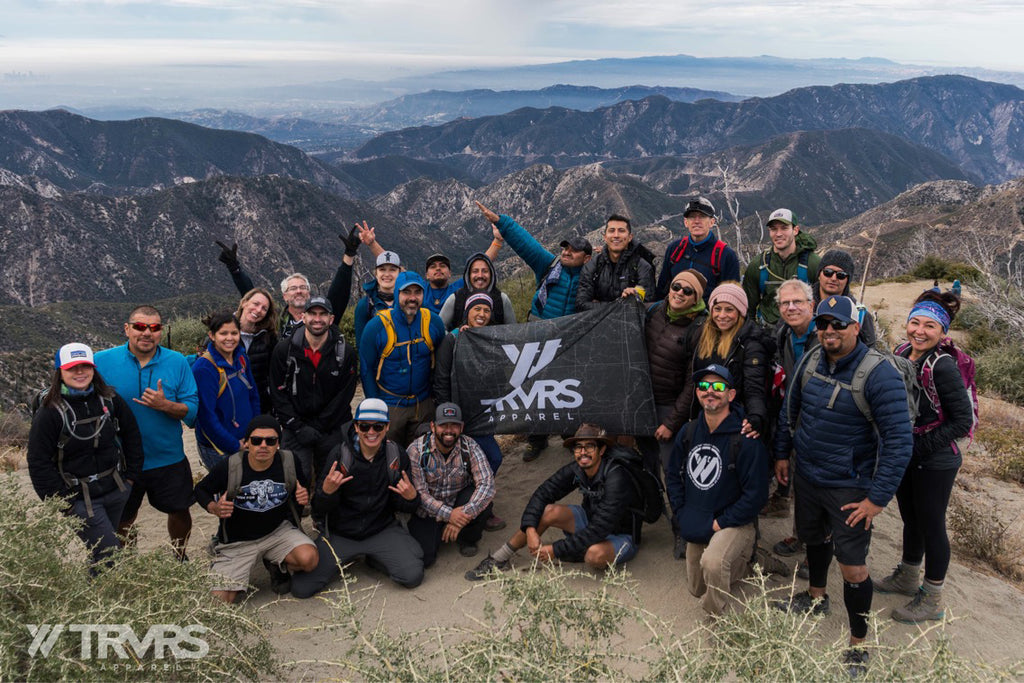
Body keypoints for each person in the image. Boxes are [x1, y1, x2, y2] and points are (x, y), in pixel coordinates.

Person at [773, 295, 913, 674]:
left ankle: (858, 642)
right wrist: (783, 453)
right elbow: (792, 408)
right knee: (814, 539)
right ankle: (816, 596)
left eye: (837, 324)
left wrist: (876, 500)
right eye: (823, 324)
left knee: (853, 567)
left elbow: (899, 442)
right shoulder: (812, 358)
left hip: (850, 487)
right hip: (810, 474)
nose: (829, 331)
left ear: (856, 326)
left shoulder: (879, 373)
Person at [876, 289, 973, 622]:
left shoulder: (943, 366)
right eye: (914, 322)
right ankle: (906, 575)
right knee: (911, 518)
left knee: (932, 524)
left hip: (935, 459)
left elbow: (962, 420)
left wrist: (918, 447)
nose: (919, 331)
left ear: (942, 332)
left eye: (929, 326)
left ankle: (931, 597)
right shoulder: (903, 351)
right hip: (907, 451)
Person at [475, 200, 593, 462]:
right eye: (564, 247)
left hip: (570, 342)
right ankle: (536, 439)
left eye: (573, 250)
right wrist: (501, 221)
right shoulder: (549, 266)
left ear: (587, 257)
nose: (566, 252)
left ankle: (567, 434)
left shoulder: (591, 277)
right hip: (537, 338)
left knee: (564, 388)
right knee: (533, 387)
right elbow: (525, 243)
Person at [466, 423, 641, 580]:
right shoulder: (577, 468)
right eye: (578, 447)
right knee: (549, 510)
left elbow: (601, 528)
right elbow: (542, 494)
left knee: (593, 556)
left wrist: (555, 550)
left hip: (620, 535)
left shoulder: (616, 477)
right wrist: (530, 529)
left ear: (601, 450)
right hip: (589, 522)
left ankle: (580, 550)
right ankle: (499, 558)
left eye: (590, 446)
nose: (583, 452)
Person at [94, 306, 199, 560]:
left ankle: (179, 555)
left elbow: (193, 412)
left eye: (154, 328)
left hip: (167, 456)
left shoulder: (177, 362)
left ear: (161, 331)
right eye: (140, 327)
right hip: (121, 460)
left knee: (179, 510)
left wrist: (166, 405)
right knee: (123, 517)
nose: (147, 333)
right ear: (127, 329)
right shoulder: (101, 361)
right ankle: (130, 564)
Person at [291, 399, 424, 596]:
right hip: (342, 533)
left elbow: (403, 505)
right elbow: (319, 508)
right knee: (301, 589)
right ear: (356, 426)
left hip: (381, 530)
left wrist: (412, 498)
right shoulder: (339, 455)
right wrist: (327, 492)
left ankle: (375, 557)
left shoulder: (395, 455)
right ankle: (360, 555)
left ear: (387, 427)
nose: (371, 432)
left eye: (378, 426)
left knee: (412, 576)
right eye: (365, 426)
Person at [27, 343, 144, 567]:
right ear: (60, 371)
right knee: (109, 555)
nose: (80, 372)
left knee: (102, 553)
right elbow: (38, 462)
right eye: (72, 368)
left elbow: (132, 435)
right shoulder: (50, 413)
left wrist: (131, 478)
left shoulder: (109, 400)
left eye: (85, 366)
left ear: (93, 368)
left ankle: (98, 596)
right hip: (80, 500)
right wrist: (64, 502)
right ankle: (106, 598)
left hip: (116, 489)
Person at [666, 364, 768, 615]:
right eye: (704, 386)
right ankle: (749, 563)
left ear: (731, 395)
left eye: (719, 386)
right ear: (697, 393)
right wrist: (681, 510)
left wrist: (719, 523)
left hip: (733, 520)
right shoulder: (688, 431)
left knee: (712, 564)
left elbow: (756, 496)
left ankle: (716, 616)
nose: (710, 391)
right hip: (698, 514)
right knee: (697, 586)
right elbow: (672, 475)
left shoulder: (746, 439)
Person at [194, 415, 317, 602]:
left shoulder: (289, 462)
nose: (263, 445)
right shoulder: (231, 466)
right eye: (257, 440)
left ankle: (275, 563)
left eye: (271, 440)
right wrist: (214, 507)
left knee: (309, 559)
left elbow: (300, 488)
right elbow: (201, 489)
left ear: (278, 444)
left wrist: (303, 497)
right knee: (219, 600)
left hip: (277, 532)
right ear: (247, 443)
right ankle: (231, 575)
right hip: (238, 542)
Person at [641, 268, 707, 557]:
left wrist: (672, 422)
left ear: (696, 299)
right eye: (676, 286)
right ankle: (651, 512)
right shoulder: (654, 311)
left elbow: (694, 383)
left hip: (670, 407)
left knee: (674, 472)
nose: (679, 293)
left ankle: (682, 530)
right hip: (642, 403)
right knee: (646, 465)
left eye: (687, 291)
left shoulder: (698, 329)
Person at [432, 292, 507, 530]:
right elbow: (441, 378)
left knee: (492, 457)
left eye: (486, 311)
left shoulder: (491, 339)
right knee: (466, 465)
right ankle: (471, 510)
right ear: (467, 312)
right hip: (458, 416)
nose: (482, 314)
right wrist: (446, 418)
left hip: (482, 414)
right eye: (477, 309)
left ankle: (479, 505)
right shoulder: (452, 340)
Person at [270, 296, 358, 482]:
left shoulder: (345, 352)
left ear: (331, 319)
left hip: (331, 427)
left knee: (331, 479)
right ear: (303, 317)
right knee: (294, 479)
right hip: (295, 427)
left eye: (323, 314)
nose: (317, 319)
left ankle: (324, 511)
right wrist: (297, 426)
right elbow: (277, 393)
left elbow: (344, 395)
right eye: (312, 314)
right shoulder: (284, 350)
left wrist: (319, 425)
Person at [216, 225, 361, 339]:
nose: (298, 291)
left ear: (308, 293)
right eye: (293, 288)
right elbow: (251, 296)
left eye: (303, 287)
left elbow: (339, 294)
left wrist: (349, 256)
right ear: (284, 296)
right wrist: (234, 268)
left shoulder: (321, 317)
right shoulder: (276, 321)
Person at [765, 279, 819, 572]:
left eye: (797, 302)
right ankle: (801, 537)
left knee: (815, 487)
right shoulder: (784, 333)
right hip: (793, 416)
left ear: (811, 304)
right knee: (800, 482)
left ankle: (816, 548)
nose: (791, 307)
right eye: (785, 303)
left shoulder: (825, 334)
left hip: (821, 423)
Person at [360, 272, 447, 448]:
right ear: (397, 294)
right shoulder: (376, 327)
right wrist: (376, 407)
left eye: (417, 292)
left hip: (423, 404)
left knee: (424, 456)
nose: (412, 298)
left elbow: (443, 360)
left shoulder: (433, 322)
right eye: (407, 292)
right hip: (391, 404)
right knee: (389, 456)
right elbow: (366, 369)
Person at [407, 403, 496, 566]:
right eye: (443, 425)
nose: (449, 431)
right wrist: (449, 514)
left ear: (461, 427)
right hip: (429, 511)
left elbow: (487, 484)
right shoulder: (416, 450)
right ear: (433, 426)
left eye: (454, 425)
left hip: (459, 503)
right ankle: (440, 531)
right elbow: (420, 494)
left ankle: (467, 539)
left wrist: (458, 518)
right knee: (425, 559)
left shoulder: (469, 446)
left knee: (482, 502)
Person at [678, 282, 770, 440]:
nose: (722, 315)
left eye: (729, 310)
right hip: (703, 414)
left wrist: (756, 416)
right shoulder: (703, 335)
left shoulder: (750, 343)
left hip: (733, 419)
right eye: (717, 309)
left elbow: (754, 387)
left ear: (740, 312)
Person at [191, 311, 261, 471]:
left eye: (234, 333)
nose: (230, 338)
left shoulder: (242, 359)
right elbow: (206, 416)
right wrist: (234, 444)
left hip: (246, 441)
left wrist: (254, 432)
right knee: (226, 492)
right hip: (218, 448)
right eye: (223, 333)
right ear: (212, 335)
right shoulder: (204, 368)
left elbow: (253, 396)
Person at [742, 208, 821, 326]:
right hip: (767, 332)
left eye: (784, 228)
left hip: (803, 331)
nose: (778, 234)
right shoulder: (758, 265)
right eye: (774, 229)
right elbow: (748, 308)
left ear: (795, 230)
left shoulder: (812, 263)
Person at [654, 197, 740, 302]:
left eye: (702, 217)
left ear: (712, 222)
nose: (697, 221)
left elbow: (730, 298)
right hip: (673, 314)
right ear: (686, 222)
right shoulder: (675, 249)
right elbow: (662, 288)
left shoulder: (726, 255)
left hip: (707, 316)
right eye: (692, 217)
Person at [576, 214, 655, 311]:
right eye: (611, 230)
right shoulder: (593, 265)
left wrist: (597, 304)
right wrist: (622, 304)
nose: (616, 235)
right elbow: (581, 304)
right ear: (605, 237)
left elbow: (645, 305)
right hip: (597, 324)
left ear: (630, 237)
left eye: (621, 231)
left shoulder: (643, 267)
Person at [813, 249, 877, 347]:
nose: (833, 278)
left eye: (841, 275)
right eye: (828, 272)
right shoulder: (800, 305)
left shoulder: (860, 315)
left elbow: (870, 351)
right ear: (819, 274)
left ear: (847, 280)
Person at [439, 252, 517, 330]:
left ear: (491, 274)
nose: (480, 275)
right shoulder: (455, 299)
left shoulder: (502, 299)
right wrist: (455, 336)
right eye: (475, 271)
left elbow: (513, 331)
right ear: (468, 275)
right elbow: (439, 328)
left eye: (485, 271)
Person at [233, 287, 278, 412]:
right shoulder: (224, 331)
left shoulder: (268, 337)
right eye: (255, 304)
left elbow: (274, 372)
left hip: (259, 404)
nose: (258, 310)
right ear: (244, 302)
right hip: (228, 402)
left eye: (264, 308)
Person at [354, 250, 401, 348]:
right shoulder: (366, 305)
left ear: (399, 273)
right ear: (376, 273)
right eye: (382, 269)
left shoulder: (406, 302)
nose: (387, 274)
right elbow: (362, 345)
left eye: (392, 270)